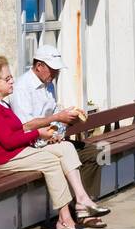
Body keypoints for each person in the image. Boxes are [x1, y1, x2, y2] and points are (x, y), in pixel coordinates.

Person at [0, 56, 110, 229]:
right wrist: (38, 133)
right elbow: (7, 141)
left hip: (17, 151)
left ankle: (82, 200)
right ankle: (65, 219)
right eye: (7, 79)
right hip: (3, 158)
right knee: (50, 161)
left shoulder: (0, 104)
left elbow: (16, 130)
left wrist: (44, 133)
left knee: (66, 148)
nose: (12, 80)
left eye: (10, 77)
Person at [10, 46, 102, 193]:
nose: (56, 73)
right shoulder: (22, 87)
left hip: (49, 141)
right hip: (32, 146)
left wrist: (68, 120)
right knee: (70, 155)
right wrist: (58, 117)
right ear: (39, 66)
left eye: (57, 69)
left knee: (95, 153)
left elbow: (53, 115)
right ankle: (82, 207)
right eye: (53, 69)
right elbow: (26, 125)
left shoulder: (49, 84)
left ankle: (86, 204)